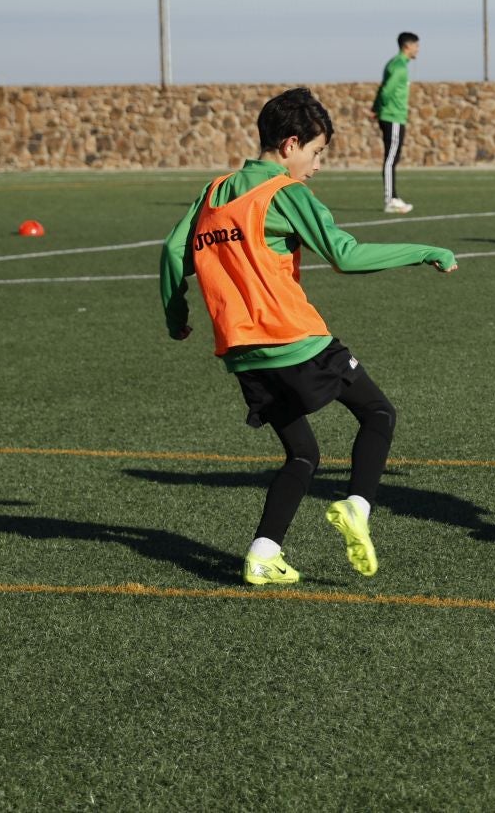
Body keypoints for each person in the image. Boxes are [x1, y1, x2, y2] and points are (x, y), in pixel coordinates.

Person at [160, 86, 457, 585]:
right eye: (317, 153)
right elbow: (346, 255)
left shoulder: (212, 192)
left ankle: (263, 553)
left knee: (303, 454)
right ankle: (358, 506)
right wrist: (424, 251)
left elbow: (173, 251)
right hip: (295, 340)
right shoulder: (286, 193)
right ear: (290, 144)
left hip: (243, 353)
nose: (317, 167)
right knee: (379, 414)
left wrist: (176, 317)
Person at [372, 31, 420, 214]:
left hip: (394, 116)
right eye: (416, 45)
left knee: (393, 157)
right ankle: (390, 200)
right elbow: (386, 92)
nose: (418, 49)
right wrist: (381, 108)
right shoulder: (399, 66)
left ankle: (393, 197)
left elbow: (382, 88)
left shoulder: (397, 64)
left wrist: (375, 108)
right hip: (393, 117)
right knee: (391, 158)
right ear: (407, 46)